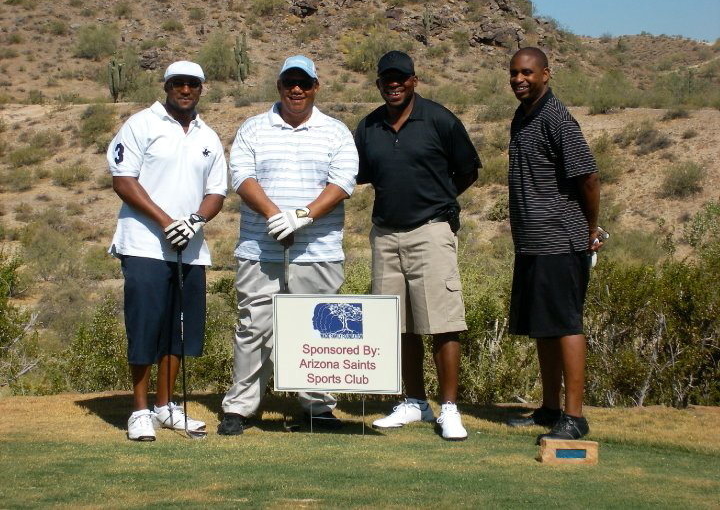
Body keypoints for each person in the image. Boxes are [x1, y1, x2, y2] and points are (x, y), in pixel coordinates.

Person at [217, 55, 358, 435]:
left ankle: (318, 407)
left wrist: (302, 216)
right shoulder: (253, 128)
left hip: (318, 250)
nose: (297, 89)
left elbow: (343, 183)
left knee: (320, 329)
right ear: (279, 86)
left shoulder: (336, 132)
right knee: (254, 327)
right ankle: (240, 408)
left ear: (316, 87)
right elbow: (242, 177)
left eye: (304, 83)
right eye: (289, 83)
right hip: (259, 249)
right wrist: (274, 215)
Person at [354, 51, 480, 441]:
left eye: (401, 78)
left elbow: (468, 170)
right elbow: (357, 174)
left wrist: (439, 200)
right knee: (397, 325)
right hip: (385, 235)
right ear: (378, 83)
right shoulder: (369, 126)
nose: (394, 85)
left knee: (442, 323)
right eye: (386, 79)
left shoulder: (439, 119)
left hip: (431, 231)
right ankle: (414, 401)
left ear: (414, 81)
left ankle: (449, 408)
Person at [107, 60, 227, 441]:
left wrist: (194, 220)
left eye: (193, 84)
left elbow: (217, 192)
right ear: (166, 86)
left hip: (190, 249)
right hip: (144, 245)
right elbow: (123, 180)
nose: (185, 90)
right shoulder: (141, 124)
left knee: (179, 329)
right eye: (178, 83)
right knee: (145, 326)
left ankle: (165, 406)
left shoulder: (208, 136)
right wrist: (165, 221)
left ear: (201, 89)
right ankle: (140, 410)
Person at [504, 47, 602, 442]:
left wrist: (590, 229)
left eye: (527, 72)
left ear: (546, 74)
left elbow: (588, 177)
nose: (519, 79)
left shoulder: (557, 119)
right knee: (544, 328)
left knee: (565, 325)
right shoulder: (523, 115)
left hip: (561, 240)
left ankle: (575, 417)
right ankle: (549, 409)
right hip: (532, 243)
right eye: (514, 72)